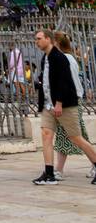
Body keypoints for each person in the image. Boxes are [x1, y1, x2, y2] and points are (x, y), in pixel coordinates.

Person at [33, 28, 96, 185]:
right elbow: (47, 80)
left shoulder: (60, 58)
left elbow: (64, 82)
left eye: (39, 39)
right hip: (48, 105)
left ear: (49, 39)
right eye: (36, 39)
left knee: (76, 138)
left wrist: (59, 103)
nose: (37, 42)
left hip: (65, 105)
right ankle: (49, 173)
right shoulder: (45, 58)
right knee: (46, 135)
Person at [51, 32, 90, 180]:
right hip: (71, 101)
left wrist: (59, 102)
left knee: (75, 136)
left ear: (57, 44)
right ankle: (59, 170)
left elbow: (67, 82)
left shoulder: (64, 59)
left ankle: (59, 170)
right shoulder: (70, 58)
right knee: (70, 136)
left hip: (70, 102)